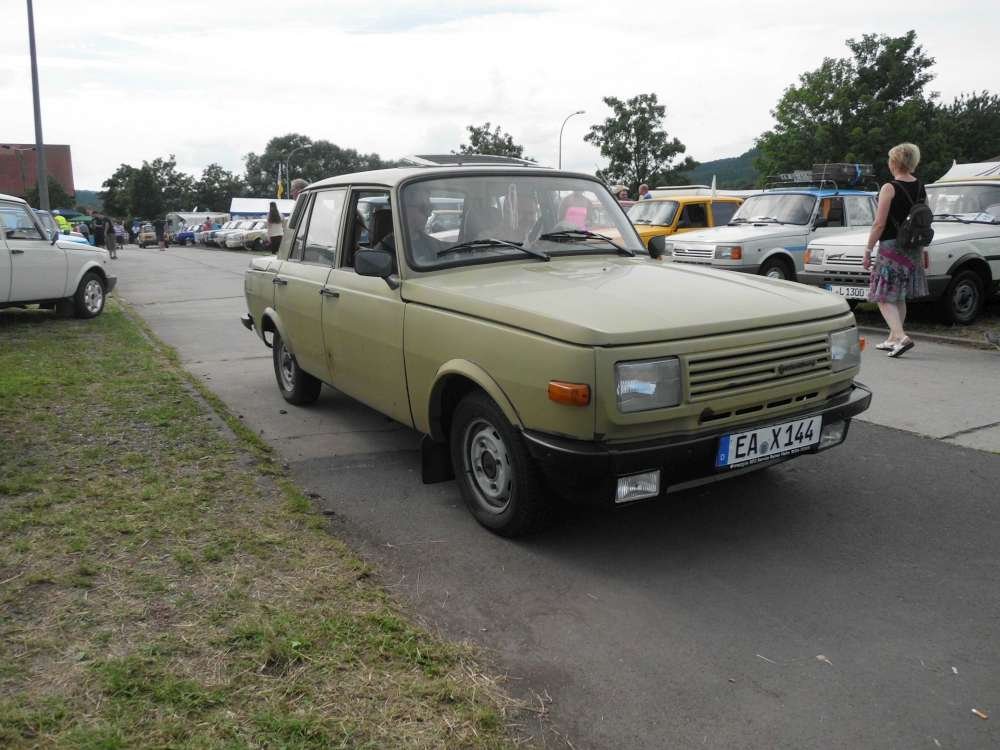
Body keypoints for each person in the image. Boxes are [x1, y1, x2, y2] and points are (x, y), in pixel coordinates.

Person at [863, 142, 929, 358]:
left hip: (892, 247)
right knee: (899, 296)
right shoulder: (921, 186)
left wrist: (868, 249)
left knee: (883, 297)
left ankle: (901, 337)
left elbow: (879, 224)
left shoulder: (889, 187)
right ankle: (892, 338)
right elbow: (925, 219)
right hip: (913, 247)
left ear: (894, 162)